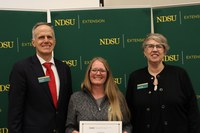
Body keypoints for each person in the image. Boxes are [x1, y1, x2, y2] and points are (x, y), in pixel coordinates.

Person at [126, 33, 200, 133]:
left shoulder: (179, 74)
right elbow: (129, 112)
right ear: (144, 51)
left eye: (159, 46)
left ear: (164, 51)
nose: (155, 49)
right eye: (150, 46)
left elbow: (193, 110)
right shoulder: (135, 77)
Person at [8, 22, 72, 133]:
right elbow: (15, 110)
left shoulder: (64, 68)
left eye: (49, 37)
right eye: (41, 37)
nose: (46, 41)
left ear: (54, 41)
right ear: (33, 42)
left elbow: (68, 106)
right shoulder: (21, 68)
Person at [65, 57, 132, 133]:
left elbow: (127, 125)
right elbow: (69, 127)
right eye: (94, 70)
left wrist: (126, 132)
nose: (98, 73)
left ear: (107, 74)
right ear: (89, 73)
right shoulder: (76, 98)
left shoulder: (118, 97)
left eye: (102, 70)